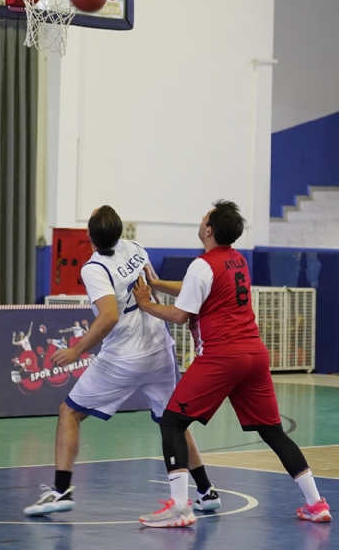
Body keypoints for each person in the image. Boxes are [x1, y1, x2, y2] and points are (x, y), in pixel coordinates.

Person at [132, 200, 330, 527]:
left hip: (222, 356)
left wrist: (145, 303)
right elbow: (198, 290)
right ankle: (316, 503)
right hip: (254, 355)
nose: (200, 220)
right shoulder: (237, 260)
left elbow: (181, 315)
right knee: (273, 432)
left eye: (204, 218)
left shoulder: (202, 265)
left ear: (209, 230)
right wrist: (157, 284)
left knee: (172, 422)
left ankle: (179, 507)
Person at [24, 206, 221, 518]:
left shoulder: (94, 268)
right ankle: (206, 490)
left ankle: (61, 490)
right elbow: (153, 288)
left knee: (69, 412)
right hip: (159, 347)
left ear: (89, 234)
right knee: (173, 422)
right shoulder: (136, 248)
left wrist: (76, 350)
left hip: (124, 357)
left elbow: (109, 317)